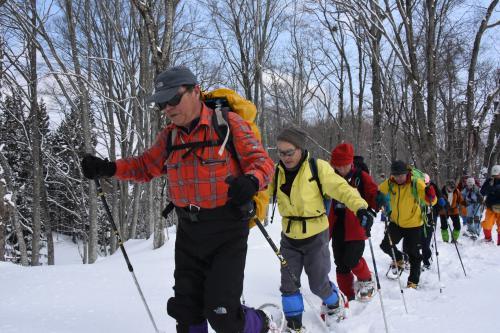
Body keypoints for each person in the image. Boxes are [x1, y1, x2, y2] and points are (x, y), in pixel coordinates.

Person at [81, 66, 277, 333]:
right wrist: (109, 169)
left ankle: (265, 324)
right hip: (189, 231)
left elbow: (263, 162)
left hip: (227, 229)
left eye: (174, 99)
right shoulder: (170, 136)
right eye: (162, 103)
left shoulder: (228, 124)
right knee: (186, 312)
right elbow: (144, 166)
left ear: (195, 91)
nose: (168, 108)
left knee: (223, 315)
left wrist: (251, 180)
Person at [269, 128, 372, 332]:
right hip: (289, 237)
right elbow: (262, 192)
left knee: (318, 283)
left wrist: (360, 207)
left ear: (300, 149)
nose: (285, 157)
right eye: (280, 152)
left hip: (316, 236)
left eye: (289, 152)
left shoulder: (318, 168)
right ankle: (294, 323)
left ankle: (334, 303)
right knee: (288, 284)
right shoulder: (276, 172)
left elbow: (342, 189)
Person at [328, 143, 378, 301]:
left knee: (352, 259)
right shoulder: (330, 177)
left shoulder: (360, 176)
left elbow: (372, 192)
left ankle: (366, 279)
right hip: (336, 225)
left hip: (356, 225)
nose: (341, 169)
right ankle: (347, 294)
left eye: (344, 165)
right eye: (338, 166)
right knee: (340, 263)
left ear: (351, 163)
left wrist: (379, 200)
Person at [378, 160, 436, 289]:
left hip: (414, 225)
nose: (398, 178)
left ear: (406, 173)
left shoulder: (416, 183)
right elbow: (378, 191)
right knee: (385, 245)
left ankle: (413, 282)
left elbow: (430, 201)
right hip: (396, 223)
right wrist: (377, 197)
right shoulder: (390, 183)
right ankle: (399, 258)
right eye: (396, 175)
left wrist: (431, 196)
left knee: (414, 254)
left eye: (401, 175)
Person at [421, 174, 439, 270]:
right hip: (418, 217)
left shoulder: (433, 188)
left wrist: (440, 205)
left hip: (430, 216)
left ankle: (426, 261)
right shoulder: (416, 188)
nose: (424, 185)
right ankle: (408, 259)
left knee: (426, 241)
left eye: (426, 184)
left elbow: (439, 199)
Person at [480, 165, 500, 244]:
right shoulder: (489, 181)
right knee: (487, 224)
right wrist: (490, 187)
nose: (496, 176)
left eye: (497, 175)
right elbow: (482, 192)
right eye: (494, 175)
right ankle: (488, 239)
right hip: (490, 207)